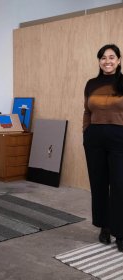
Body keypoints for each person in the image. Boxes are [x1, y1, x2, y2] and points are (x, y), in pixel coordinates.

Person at [83, 44, 123, 252]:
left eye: (111, 57)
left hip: (120, 138)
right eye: (103, 58)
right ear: (99, 61)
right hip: (95, 139)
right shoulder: (91, 84)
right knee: (99, 184)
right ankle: (104, 227)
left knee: (119, 185)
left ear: (118, 60)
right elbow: (87, 111)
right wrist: (86, 133)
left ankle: (121, 232)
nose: (107, 61)